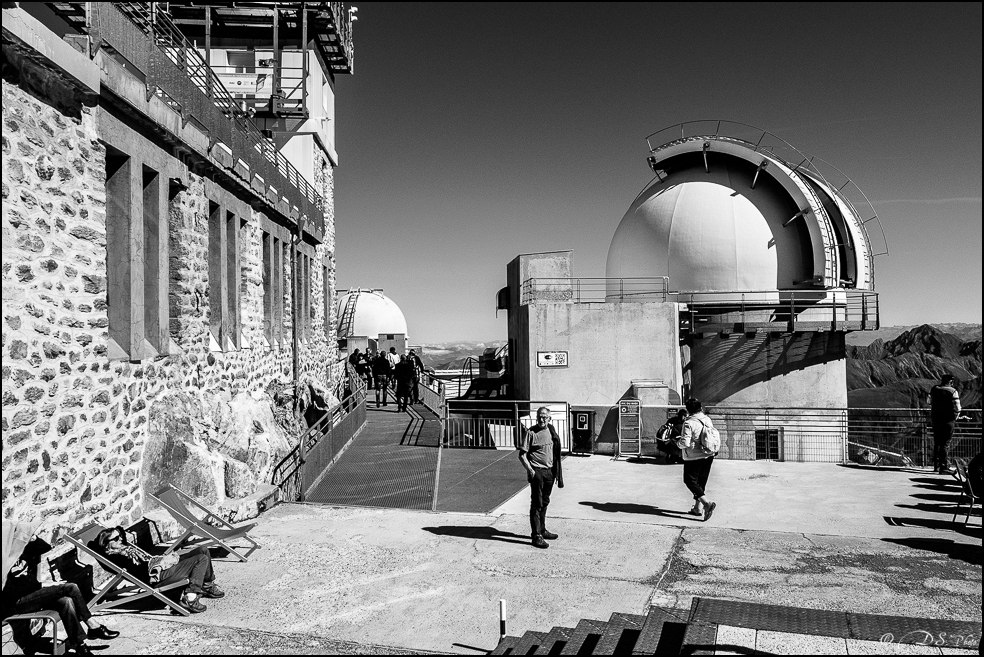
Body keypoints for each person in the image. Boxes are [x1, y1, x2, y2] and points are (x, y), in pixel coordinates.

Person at [2, 526, 119, 656]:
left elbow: (45, 548)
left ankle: (80, 645)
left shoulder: (24, 550)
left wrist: (33, 538)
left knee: (66, 601)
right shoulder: (4, 561)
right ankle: (92, 625)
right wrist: (41, 585)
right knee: (70, 587)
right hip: (17, 603)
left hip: (34, 596)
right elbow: (10, 593)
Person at [92, 527, 224, 614]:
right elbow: (139, 571)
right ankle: (190, 598)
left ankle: (206, 585)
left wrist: (161, 561)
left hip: (160, 567)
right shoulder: (115, 557)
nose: (120, 539)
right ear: (106, 544)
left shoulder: (124, 548)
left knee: (203, 550)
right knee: (200, 559)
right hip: (157, 577)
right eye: (116, 539)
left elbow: (121, 534)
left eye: (120, 536)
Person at [517, 407, 565, 549]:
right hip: (537, 472)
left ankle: (542, 530)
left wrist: (556, 471)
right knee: (537, 504)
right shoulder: (531, 432)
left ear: (549, 419)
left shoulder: (551, 430)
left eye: (545, 417)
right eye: (539, 416)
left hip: (549, 472)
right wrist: (530, 470)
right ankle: (536, 535)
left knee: (545, 501)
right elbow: (521, 455)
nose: (542, 419)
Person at [675, 397, 717, 521]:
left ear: (688, 410)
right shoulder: (707, 419)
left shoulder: (688, 423)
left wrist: (677, 444)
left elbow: (685, 442)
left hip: (694, 457)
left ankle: (706, 503)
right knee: (701, 482)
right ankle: (698, 509)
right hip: (708, 454)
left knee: (690, 481)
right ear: (700, 407)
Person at [928, 374, 970, 474]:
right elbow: (957, 408)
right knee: (945, 443)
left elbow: (929, 402)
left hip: (935, 419)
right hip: (948, 421)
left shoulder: (934, 389)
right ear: (950, 382)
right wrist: (955, 417)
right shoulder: (952, 391)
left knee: (937, 442)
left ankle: (936, 465)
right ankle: (944, 466)